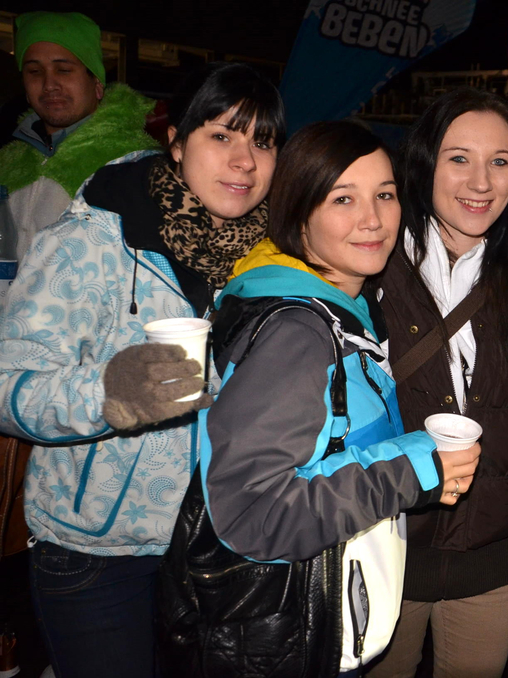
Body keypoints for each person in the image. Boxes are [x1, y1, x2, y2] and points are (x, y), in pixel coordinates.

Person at [159, 120, 480, 675]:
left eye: (384, 195)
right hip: (282, 636)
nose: (373, 219)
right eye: (343, 199)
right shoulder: (298, 333)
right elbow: (253, 512)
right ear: (299, 215)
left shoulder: (342, 309)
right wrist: (414, 469)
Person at [0, 62, 284, 678]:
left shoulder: (271, 261)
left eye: (262, 142)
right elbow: (9, 385)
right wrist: (112, 393)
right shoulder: (93, 240)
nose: (244, 161)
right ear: (176, 142)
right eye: (221, 135)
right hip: (99, 552)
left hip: (217, 547)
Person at [367, 88, 508, 678]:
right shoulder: (375, 253)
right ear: (425, 163)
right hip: (386, 540)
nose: (480, 182)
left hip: (492, 552)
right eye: (459, 159)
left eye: (499, 161)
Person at [0, 11, 158, 259]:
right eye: (34, 71)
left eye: (63, 70)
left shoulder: (136, 163)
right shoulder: (8, 161)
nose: (49, 84)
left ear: (97, 84)